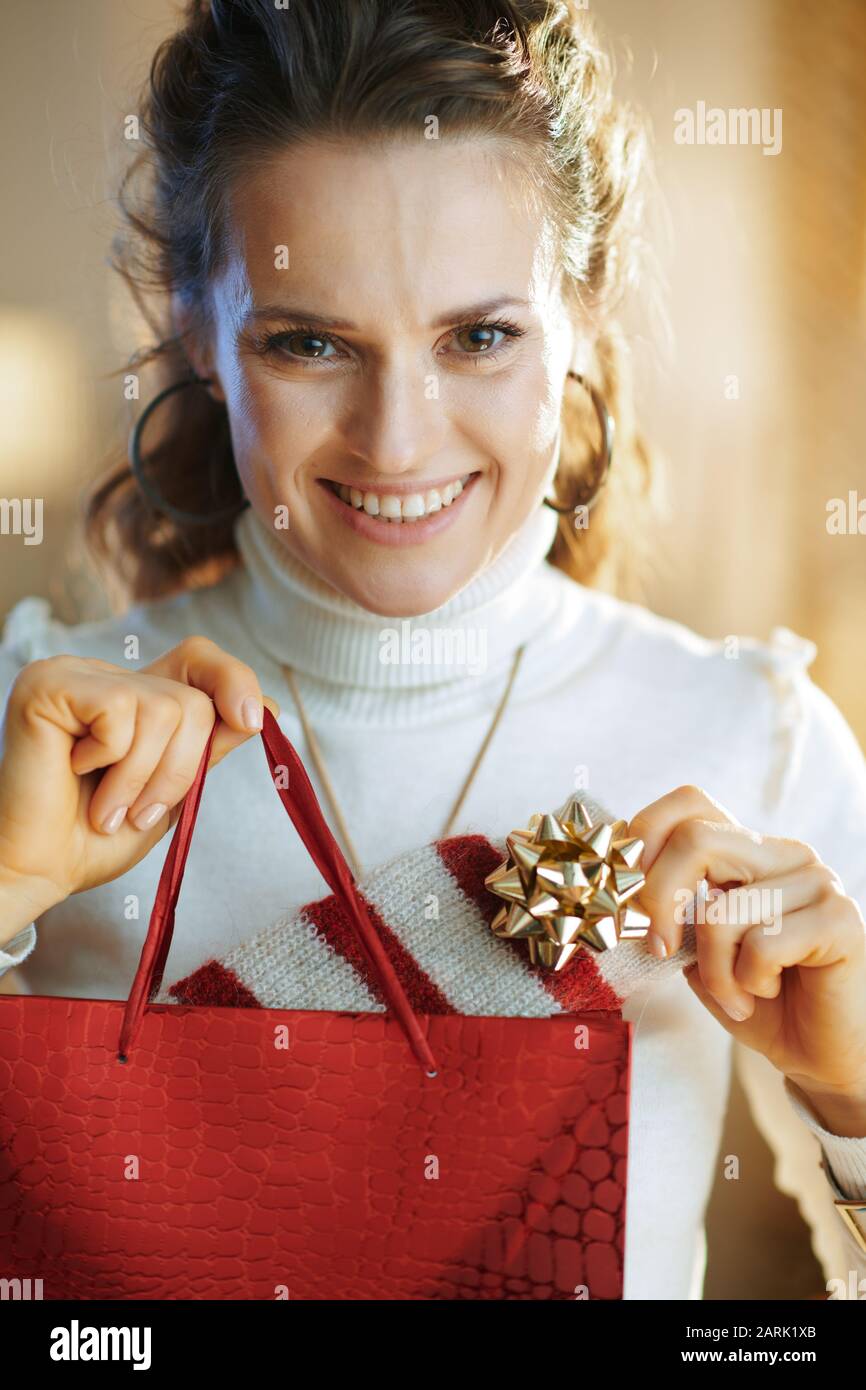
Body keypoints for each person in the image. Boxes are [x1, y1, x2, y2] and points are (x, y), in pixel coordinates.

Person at [1, 0, 864, 1300]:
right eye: (307, 341)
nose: (396, 442)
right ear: (194, 331)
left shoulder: (758, 739)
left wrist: (851, 1096)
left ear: (581, 312)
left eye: (478, 337)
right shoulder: (41, 740)